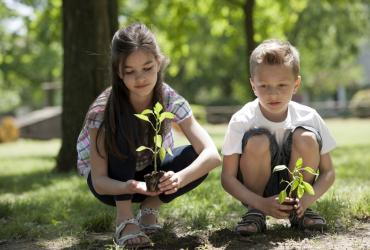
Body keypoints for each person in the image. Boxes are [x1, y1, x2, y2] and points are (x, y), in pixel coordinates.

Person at [76, 23, 221, 248]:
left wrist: (178, 179)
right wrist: (130, 187)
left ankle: (149, 209)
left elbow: (212, 154)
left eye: (147, 67)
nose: (140, 78)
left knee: (196, 156)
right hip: (113, 183)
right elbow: (100, 182)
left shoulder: (169, 98)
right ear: (118, 72)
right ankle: (124, 219)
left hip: (151, 177)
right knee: (125, 122)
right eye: (130, 71)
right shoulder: (103, 110)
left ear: (159, 63)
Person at [221, 39, 336, 236]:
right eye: (264, 86)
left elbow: (328, 172)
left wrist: (306, 199)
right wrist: (261, 203)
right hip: (257, 192)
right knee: (258, 141)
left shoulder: (309, 116)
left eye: (282, 85)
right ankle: (255, 213)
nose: (273, 94)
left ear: (296, 84)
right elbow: (227, 177)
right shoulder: (242, 119)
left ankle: (299, 211)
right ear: (253, 85)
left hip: (297, 189)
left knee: (306, 137)